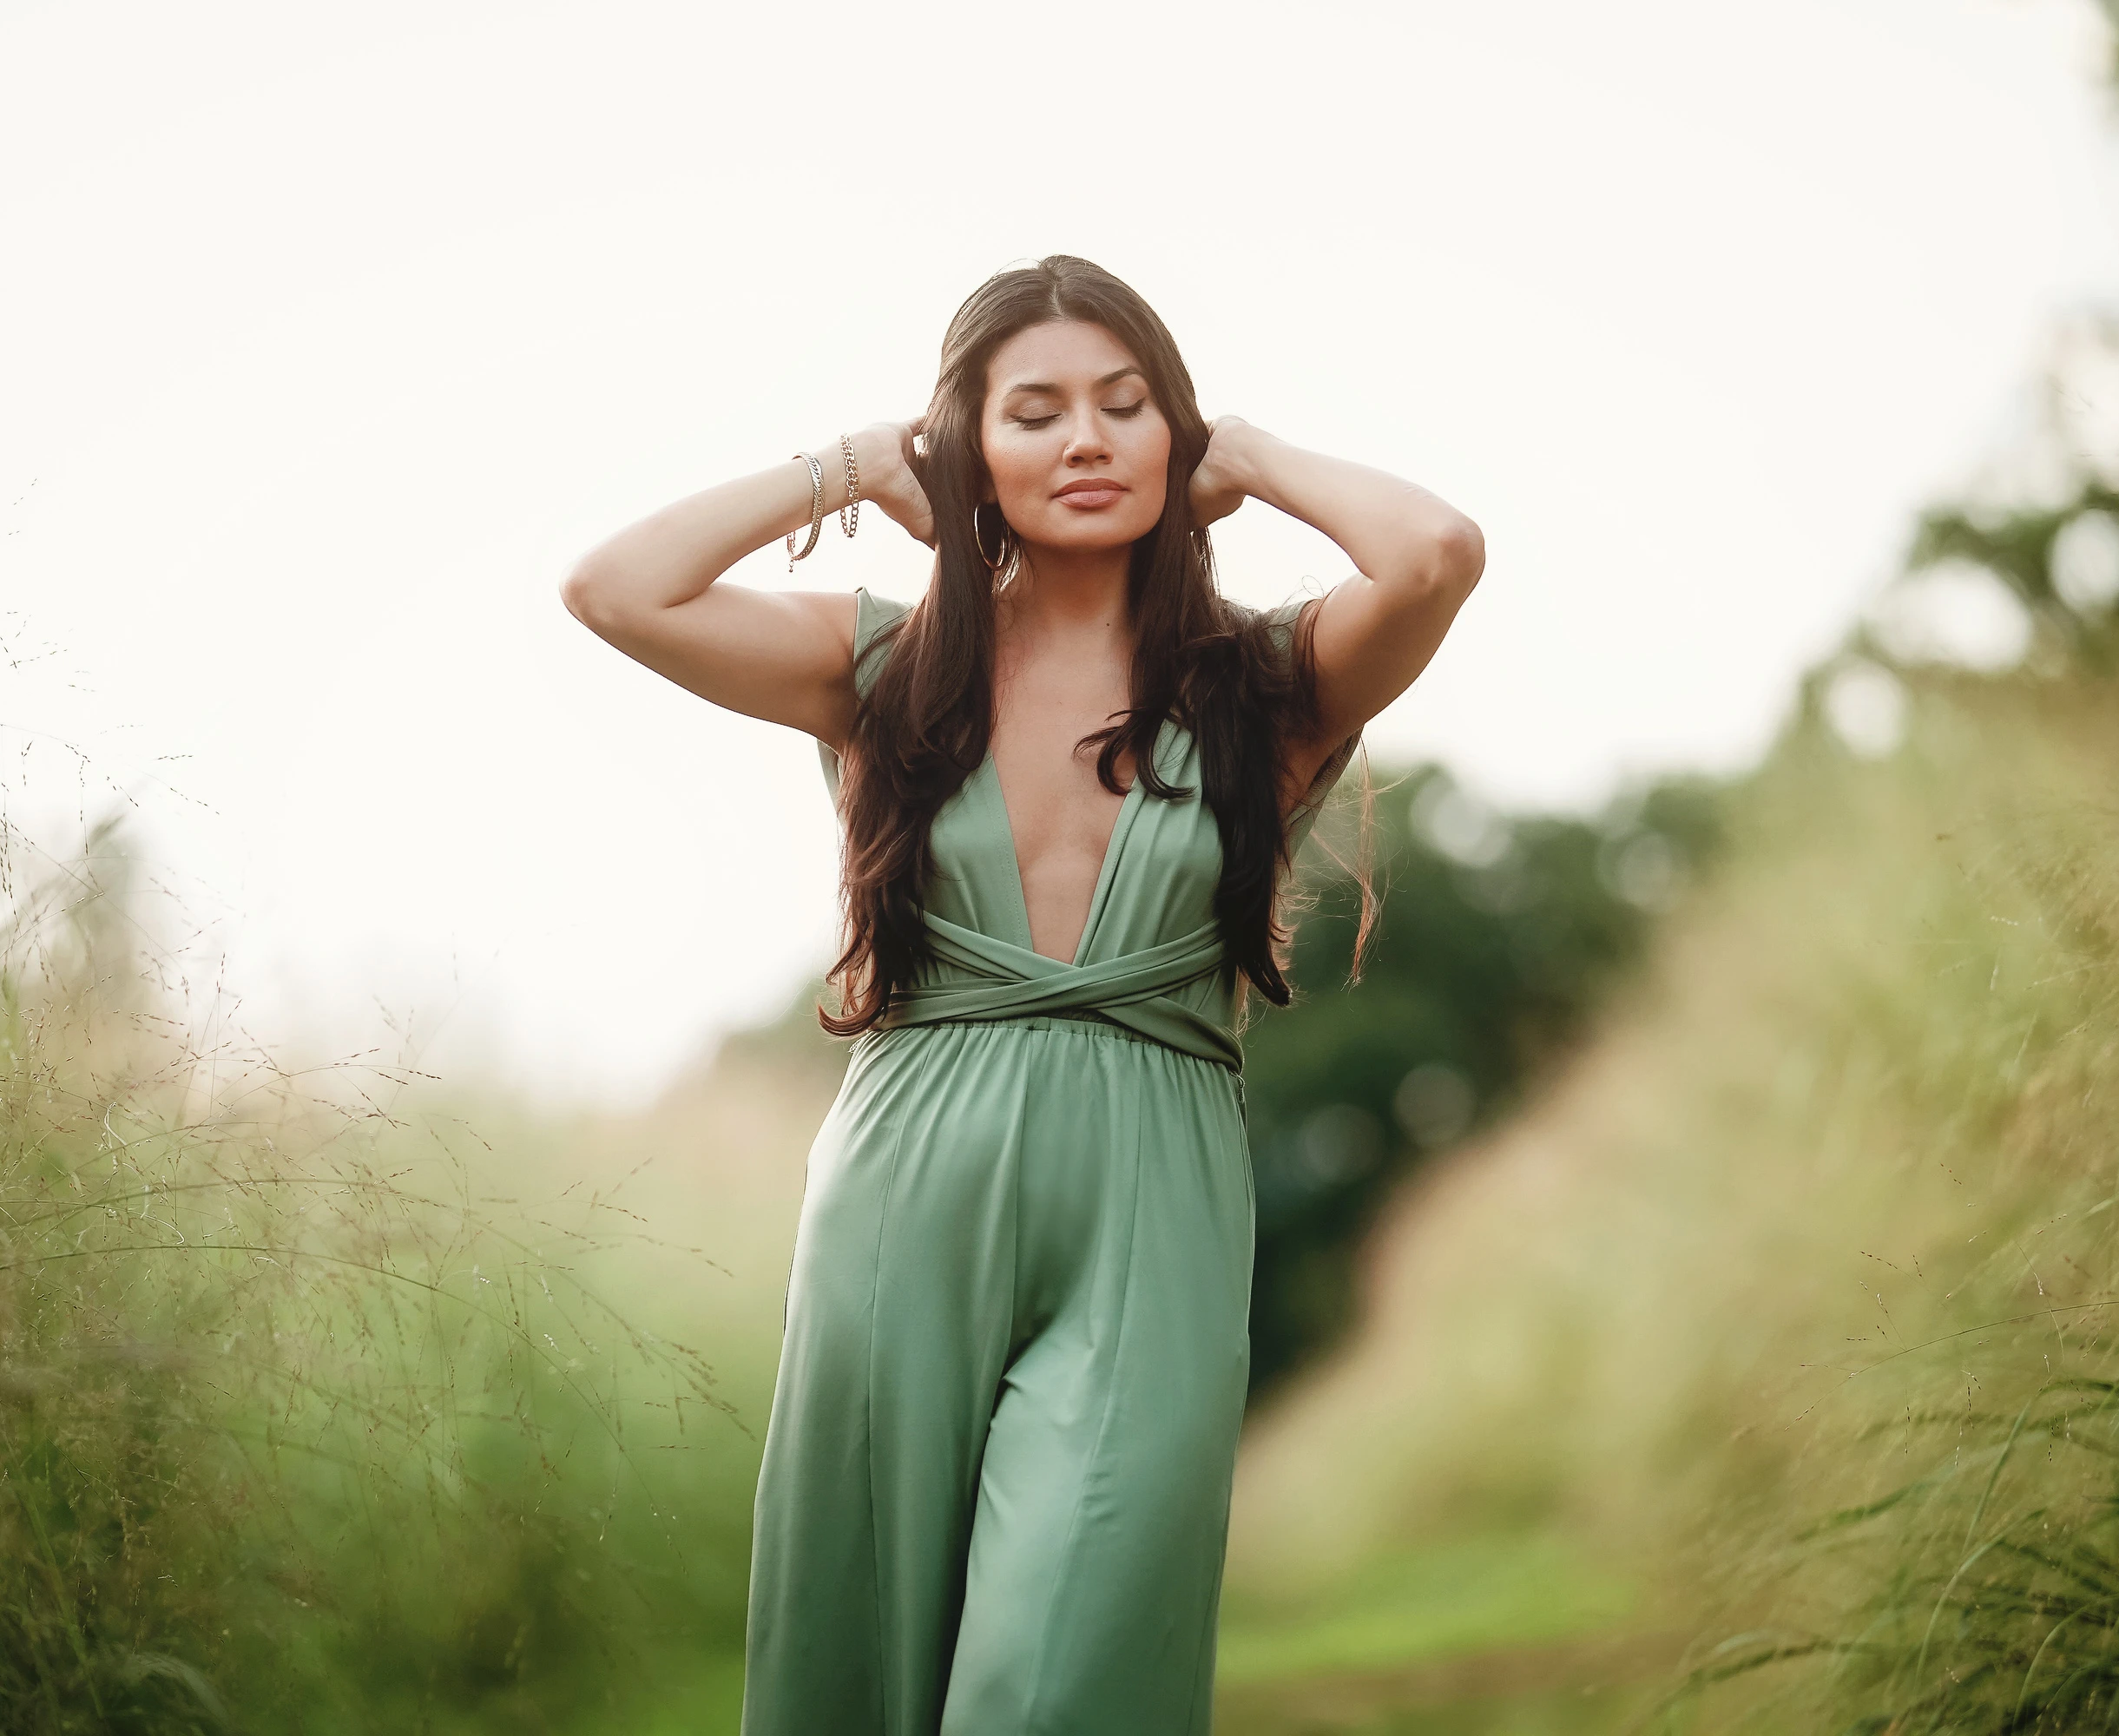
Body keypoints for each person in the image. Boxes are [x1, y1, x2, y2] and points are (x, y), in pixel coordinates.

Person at [559, 255, 1482, 1736]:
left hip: (1152, 1198)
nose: (1087, 440)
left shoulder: (1268, 683)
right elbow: (613, 587)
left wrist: (1248, 451)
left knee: (1061, 1681)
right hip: (905, 1185)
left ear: (1173, 438)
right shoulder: (883, 664)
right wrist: (857, 466)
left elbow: (1434, 553)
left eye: (1128, 407)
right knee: (849, 1666)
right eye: (1035, 410)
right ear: (972, 445)